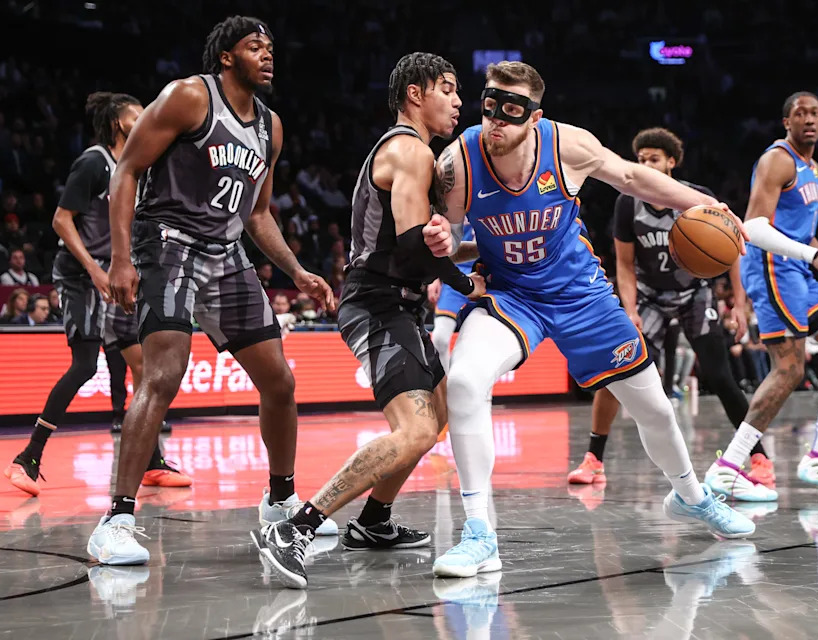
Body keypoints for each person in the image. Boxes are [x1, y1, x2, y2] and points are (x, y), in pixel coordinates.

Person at [421, 61, 755, 579]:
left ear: (535, 115)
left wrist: (709, 204)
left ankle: (690, 496)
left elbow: (632, 177)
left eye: (512, 111)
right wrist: (445, 248)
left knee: (657, 410)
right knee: (464, 380)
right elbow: (452, 247)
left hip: (580, 294)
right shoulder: (457, 162)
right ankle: (479, 533)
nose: (497, 121)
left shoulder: (567, 145)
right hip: (512, 295)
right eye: (490, 107)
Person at [90, 16, 337, 566]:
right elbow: (126, 170)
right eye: (255, 46)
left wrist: (297, 271)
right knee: (163, 374)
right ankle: (116, 519)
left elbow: (258, 212)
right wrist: (122, 258)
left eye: (271, 46)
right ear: (226, 56)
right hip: (168, 243)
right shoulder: (188, 97)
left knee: (280, 380)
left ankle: (280, 502)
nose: (268, 54)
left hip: (226, 255)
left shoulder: (269, 127)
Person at [252, 52, 484, 589]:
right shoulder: (410, 150)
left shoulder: (407, 151)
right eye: (447, 89)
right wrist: (467, 280)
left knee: (442, 409)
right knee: (417, 427)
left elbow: (421, 245)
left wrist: (480, 252)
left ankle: (374, 521)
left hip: (395, 302)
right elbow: (409, 246)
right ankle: (297, 528)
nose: (457, 100)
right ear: (414, 95)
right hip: (378, 304)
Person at [569, 127, 775, 500]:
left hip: (694, 294)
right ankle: (593, 460)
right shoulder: (627, 203)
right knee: (615, 371)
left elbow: (732, 255)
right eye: (641, 159)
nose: (646, 164)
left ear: (671, 163)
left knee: (721, 375)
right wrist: (629, 310)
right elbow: (625, 265)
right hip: (649, 296)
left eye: (654, 159)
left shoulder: (697, 199)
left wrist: (739, 304)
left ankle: (758, 458)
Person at [3, 92, 189, 499]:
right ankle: (27, 458)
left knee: (145, 365)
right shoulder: (93, 162)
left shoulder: (137, 167)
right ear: (119, 122)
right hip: (79, 275)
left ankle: (152, 463)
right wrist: (92, 269)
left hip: (114, 276)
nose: (145, 115)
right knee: (86, 365)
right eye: (137, 112)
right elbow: (60, 220)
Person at [718, 91, 818, 496]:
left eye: (816, 113)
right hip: (771, 268)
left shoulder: (813, 168)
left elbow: (799, 229)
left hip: (798, 270)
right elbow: (754, 227)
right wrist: (811, 254)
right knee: (789, 369)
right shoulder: (778, 159)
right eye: (801, 113)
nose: (810, 118)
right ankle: (729, 466)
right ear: (786, 122)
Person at [428, 223, 477, 373]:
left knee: (478, 343)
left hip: (484, 270)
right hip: (455, 271)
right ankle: (446, 390)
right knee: (439, 339)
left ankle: (485, 395)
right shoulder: (451, 202)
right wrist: (434, 276)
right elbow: (439, 242)